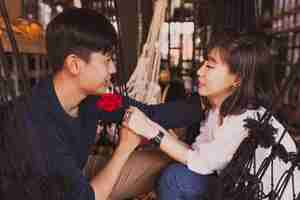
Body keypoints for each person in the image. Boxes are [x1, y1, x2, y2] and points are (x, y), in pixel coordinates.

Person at [0, 7, 203, 200]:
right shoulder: (35, 124)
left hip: (73, 176)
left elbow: (147, 113)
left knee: (169, 155)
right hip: (44, 193)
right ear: (75, 65)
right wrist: (124, 148)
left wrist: (205, 103)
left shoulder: (94, 99)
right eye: (107, 60)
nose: (113, 69)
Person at [123, 31, 300, 200]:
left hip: (257, 192)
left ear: (237, 79)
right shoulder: (218, 109)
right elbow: (196, 150)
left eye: (210, 66)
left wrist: (149, 129)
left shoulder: (242, 117)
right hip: (230, 181)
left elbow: (198, 159)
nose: (199, 71)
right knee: (174, 173)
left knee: (175, 177)